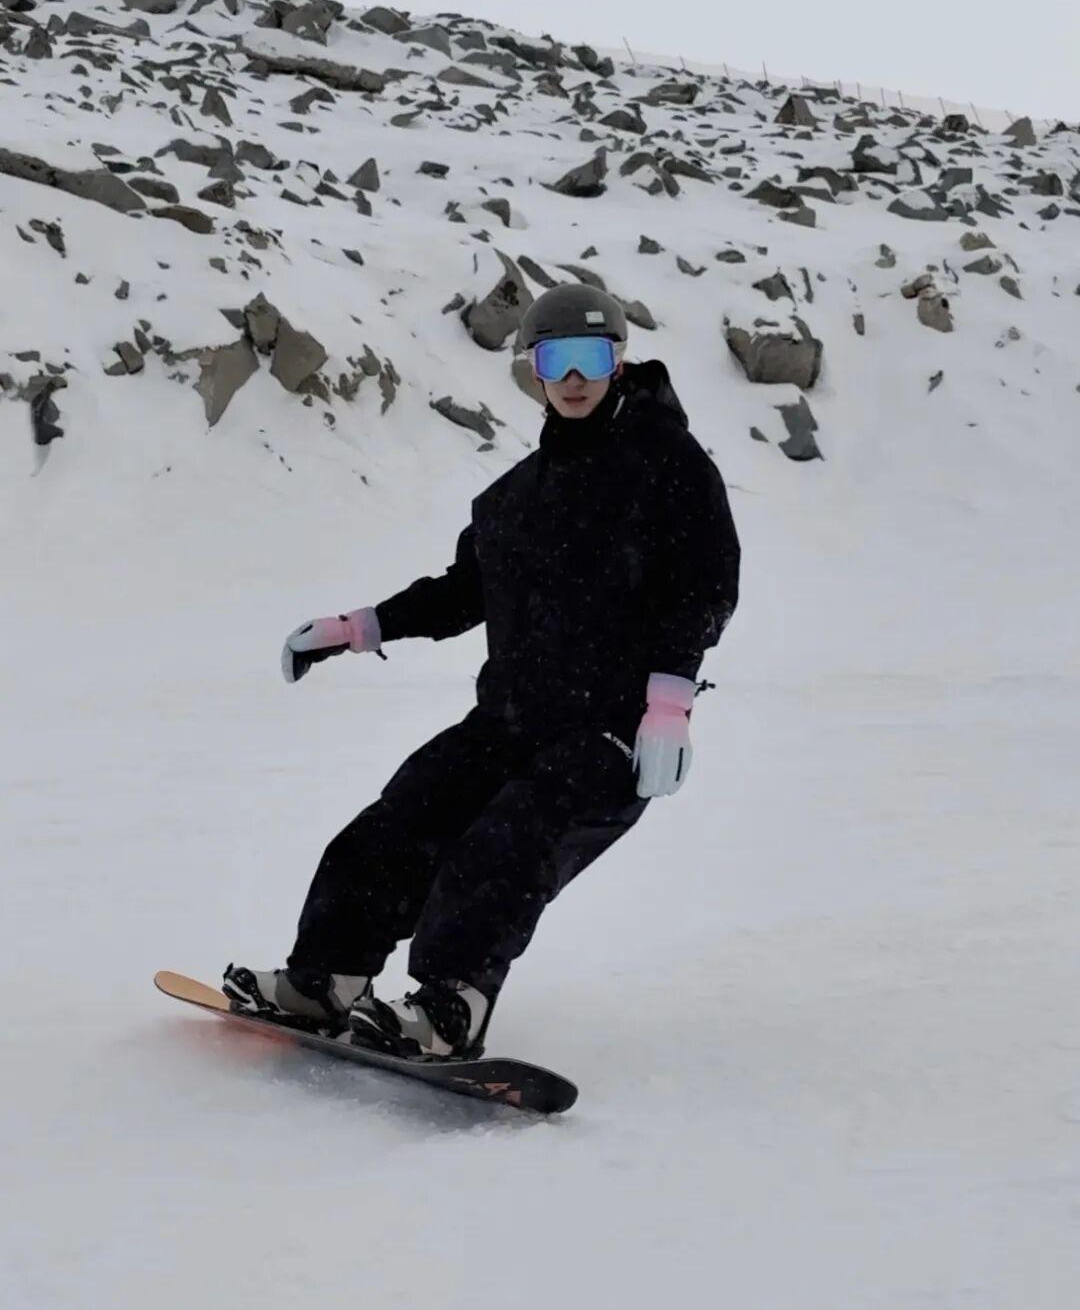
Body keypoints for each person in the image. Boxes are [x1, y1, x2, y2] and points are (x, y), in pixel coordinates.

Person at [223, 283, 741, 1060]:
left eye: (590, 357)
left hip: (610, 731)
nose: (574, 378)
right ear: (533, 369)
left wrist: (669, 701)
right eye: (556, 360)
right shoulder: (516, 497)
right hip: (511, 719)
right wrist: (361, 627)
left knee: (507, 844)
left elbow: (704, 584)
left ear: (618, 361)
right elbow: (466, 590)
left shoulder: (669, 465)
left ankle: (450, 1006)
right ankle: (326, 979)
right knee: (397, 820)